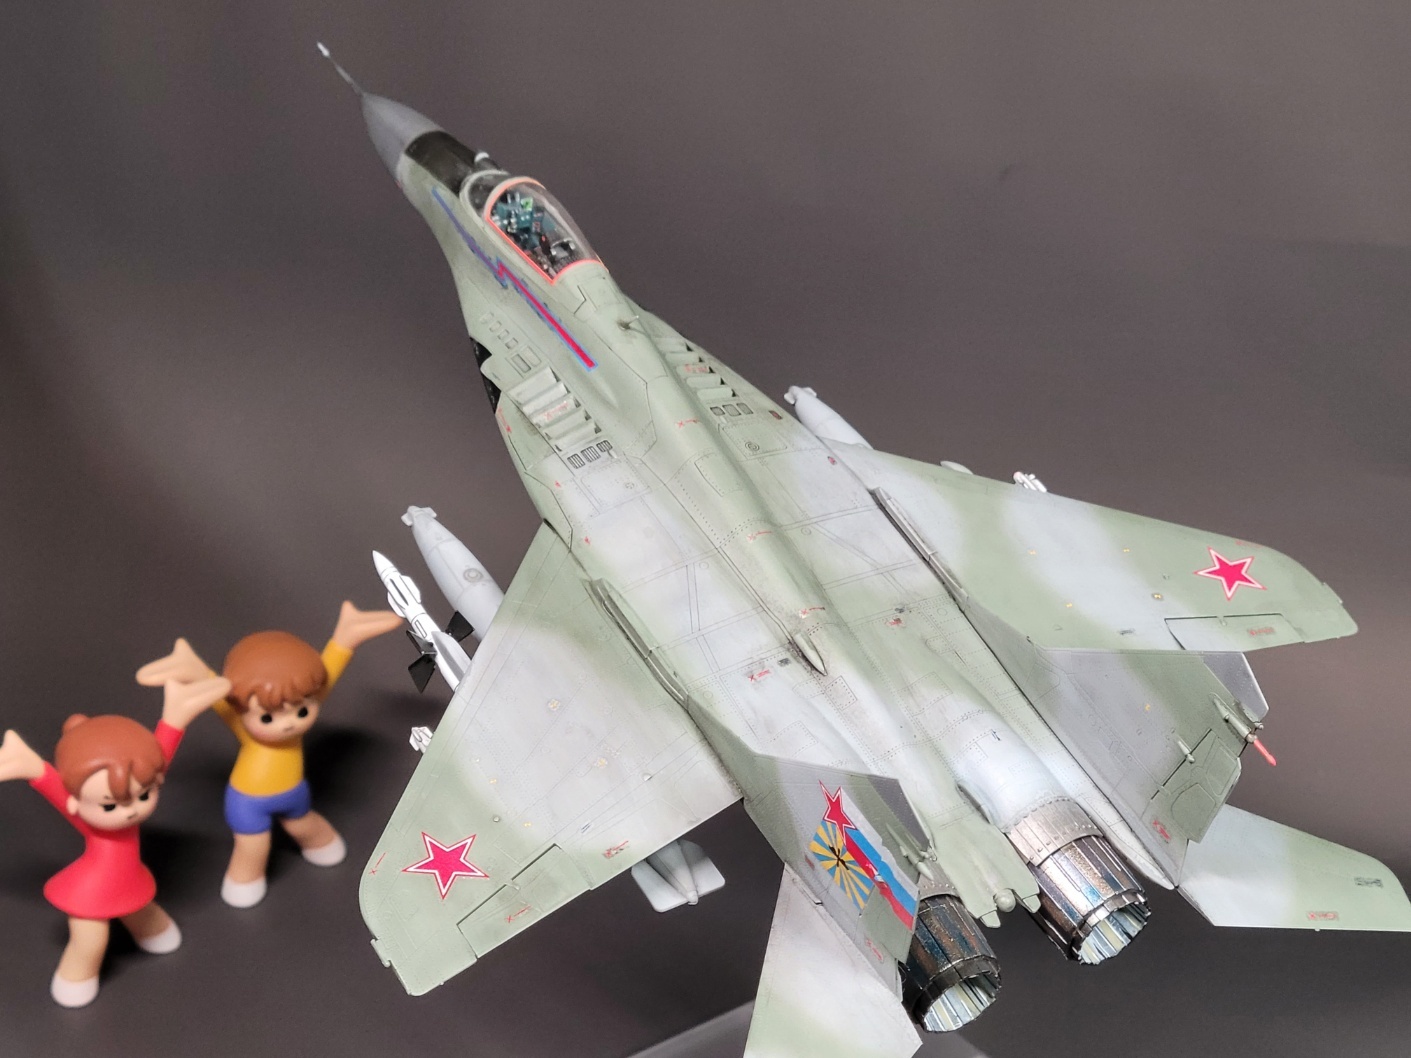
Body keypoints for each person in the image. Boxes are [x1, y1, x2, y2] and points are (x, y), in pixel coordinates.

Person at [137, 602, 400, 908]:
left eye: (301, 712)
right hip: (248, 801)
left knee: (304, 824)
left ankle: (321, 844)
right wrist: (197, 673)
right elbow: (217, 694)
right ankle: (244, 880)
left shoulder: (301, 703)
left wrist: (343, 642)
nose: (288, 724)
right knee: (253, 846)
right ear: (242, 708)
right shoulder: (241, 720)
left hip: (295, 793)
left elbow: (322, 679)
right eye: (267, 718)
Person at [0, 676, 232, 1007]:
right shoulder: (84, 816)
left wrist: (173, 722)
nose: (131, 811)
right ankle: (75, 976)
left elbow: (154, 764)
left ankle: (153, 932)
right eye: (110, 806)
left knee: (139, 907)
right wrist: (34, 770)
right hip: (92, 889)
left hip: (128, 879)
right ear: (75, 802)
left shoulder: (137, 783)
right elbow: (56, 788)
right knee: (90, 941)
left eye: (144, 796)